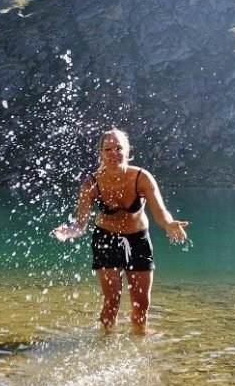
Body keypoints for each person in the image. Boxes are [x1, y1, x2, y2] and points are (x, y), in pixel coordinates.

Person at [53, 128, 188, 334]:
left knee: (141, 304)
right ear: (100, 153)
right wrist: (70, 231)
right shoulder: (91, 184)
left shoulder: (141, 178)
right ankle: (104, 342)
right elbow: (80, 224)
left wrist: (169, 224)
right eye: (108, 148)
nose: (113, 153)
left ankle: (139, 341)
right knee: (112, 300)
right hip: (106, 240)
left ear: (127, 151)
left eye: (118, 148)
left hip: (138, 240)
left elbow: (161, 212)